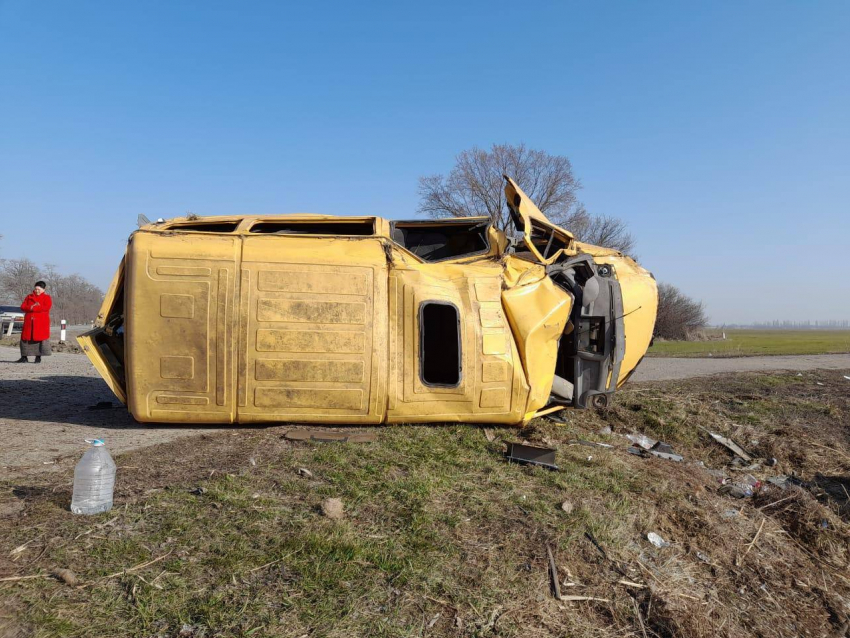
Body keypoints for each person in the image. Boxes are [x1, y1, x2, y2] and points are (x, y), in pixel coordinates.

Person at [17, 280, 52, 363]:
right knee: (25, 339)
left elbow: (46, 307)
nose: (37, 291)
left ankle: (38, 357)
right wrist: (31, 307)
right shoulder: (29, 297)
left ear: (43, 289)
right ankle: (24, 357)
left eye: (38, 289)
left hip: (41, 323)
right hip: (29, 322)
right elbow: (23, 307)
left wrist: (34, 308)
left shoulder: (47, 298)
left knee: (39, 339)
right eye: (36, 289)